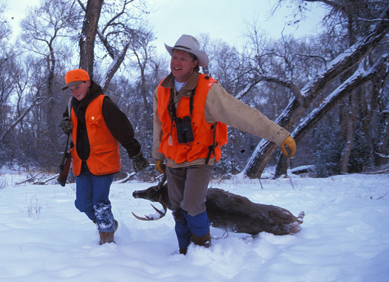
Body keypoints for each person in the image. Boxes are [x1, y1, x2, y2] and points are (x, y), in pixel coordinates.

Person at [153, 35, 297, 254]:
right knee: (177, 207)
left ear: (194, 63)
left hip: (201, 157)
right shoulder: (161, 89)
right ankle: (184, 252)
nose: (177, 62)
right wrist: (158, 155)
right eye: (174, 56)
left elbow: (243, 115)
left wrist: (278, 135)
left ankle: (202, 249)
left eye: (183, 58)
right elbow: (158, 124)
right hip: (173, 158)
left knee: (192, 205)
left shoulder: (209, 90)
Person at [60, 68, 149, 245]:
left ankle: (107, 240)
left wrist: (135, 153)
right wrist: (64, 123)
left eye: (77, 87)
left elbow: (123, 129)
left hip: (103, 161)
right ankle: (108, 223)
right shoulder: (71, 104)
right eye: (71, 89)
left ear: (88, 83)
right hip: (81, 163)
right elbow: (66, 118)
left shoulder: (103, 103)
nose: (75, 92)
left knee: (100, 203)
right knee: (83, 204)